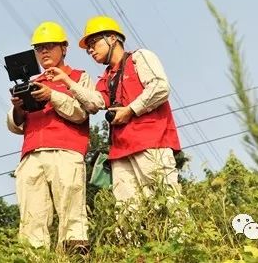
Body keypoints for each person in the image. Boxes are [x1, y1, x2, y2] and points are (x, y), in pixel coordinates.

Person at [6, 21, 93, 252]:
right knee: (31, 220)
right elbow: (14, 125)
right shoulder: (33, 83)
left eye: (50, 46)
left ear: (64, 48)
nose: (44, 51)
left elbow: (82, 112)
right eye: (39, 48)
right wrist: (18, 106)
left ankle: (75, 257)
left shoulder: (78, 78)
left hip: (66, 152)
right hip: (32, 154)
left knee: (72, 216)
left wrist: (52, 95)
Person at [78, 15, 182, 204]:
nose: (91, 50)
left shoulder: (139, 58)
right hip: (120, 152)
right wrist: (67, 82)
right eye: (88, 49)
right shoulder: (106, 77)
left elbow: (160, 87)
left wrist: (131, 110)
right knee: (127, 214)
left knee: (167, 203)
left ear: (112, 38)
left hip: (151, 143)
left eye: (93, 43)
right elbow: (94, 102)